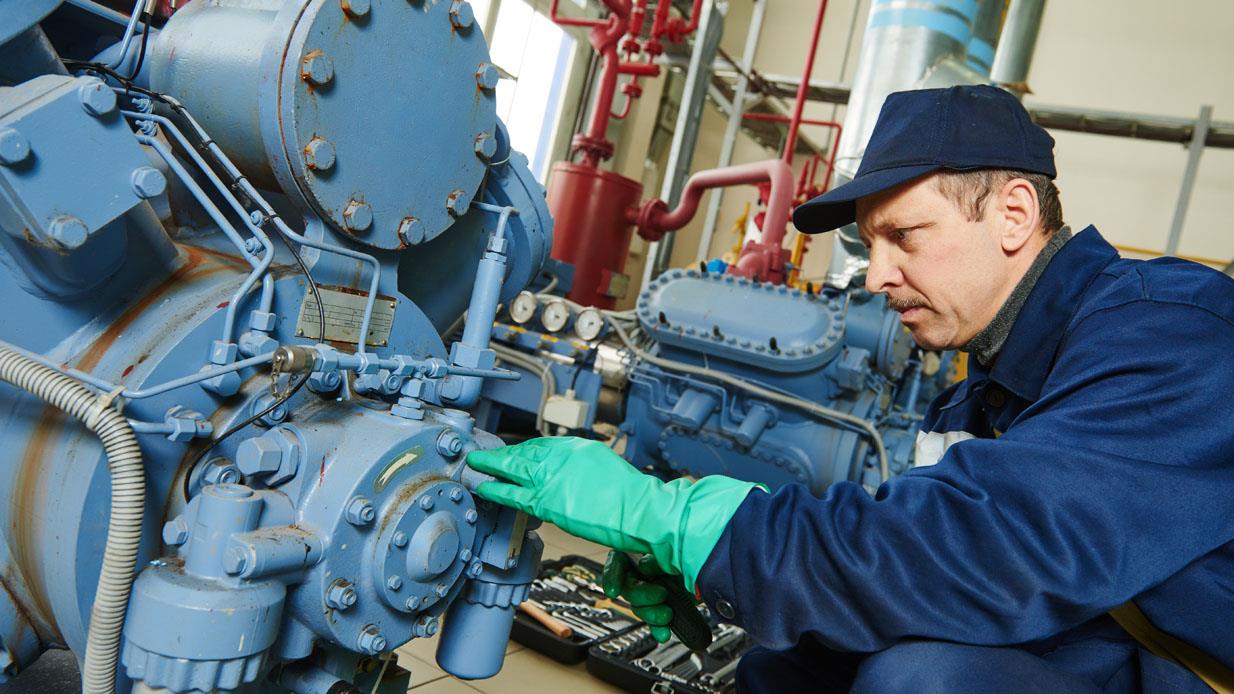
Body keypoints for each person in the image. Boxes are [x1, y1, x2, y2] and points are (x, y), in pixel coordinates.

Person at [466, 85, 1234, 692]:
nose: (876, 275)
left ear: (1014, 213)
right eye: (869, 245)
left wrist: (685, 522)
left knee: (927, 683)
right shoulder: (985, 385)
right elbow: (902, 550)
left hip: (1191, 669)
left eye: (904, 236)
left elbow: (975, 549)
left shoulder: (1166, 335)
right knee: (789, 661)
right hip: (1102, 644)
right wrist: (720, 572)